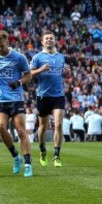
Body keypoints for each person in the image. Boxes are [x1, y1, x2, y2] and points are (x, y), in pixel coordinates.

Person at [0, 30, 33, 177]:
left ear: (7, 41)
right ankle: (15, 156)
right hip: (0, 100)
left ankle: (28, 164)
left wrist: (19, 82)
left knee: (20, 131)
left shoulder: (19, 57)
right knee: (0, 128)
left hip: (16, 99)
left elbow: (29, 75)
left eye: (1, 45)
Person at [30, 31, 71, 167]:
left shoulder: (61, 57)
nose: (48, 40)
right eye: (46, 38)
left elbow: (62, 74)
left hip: (58, 95)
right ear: (42, 42)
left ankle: (56, 154)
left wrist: (66, 73)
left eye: (51, 38)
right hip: (43, 96)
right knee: (43, 126)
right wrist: (41, 69)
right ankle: (42, 149)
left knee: (58, 124)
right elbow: (29, 74)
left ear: (55, 41)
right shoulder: (37, 57)